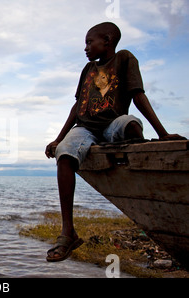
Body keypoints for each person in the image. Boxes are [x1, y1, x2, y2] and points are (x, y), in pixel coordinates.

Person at [44, 22, 185, 262]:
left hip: (113, 125)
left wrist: (162, 133)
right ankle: (68, 232)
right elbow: (77, 106)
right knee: (65, 154)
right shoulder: (88, 69)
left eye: (90, 42)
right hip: (86, 127)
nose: (86, 48)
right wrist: (59, 139)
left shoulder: (124, 58)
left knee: (132, 125)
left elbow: (138, 95)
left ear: (107, 40)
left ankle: (145, 202)